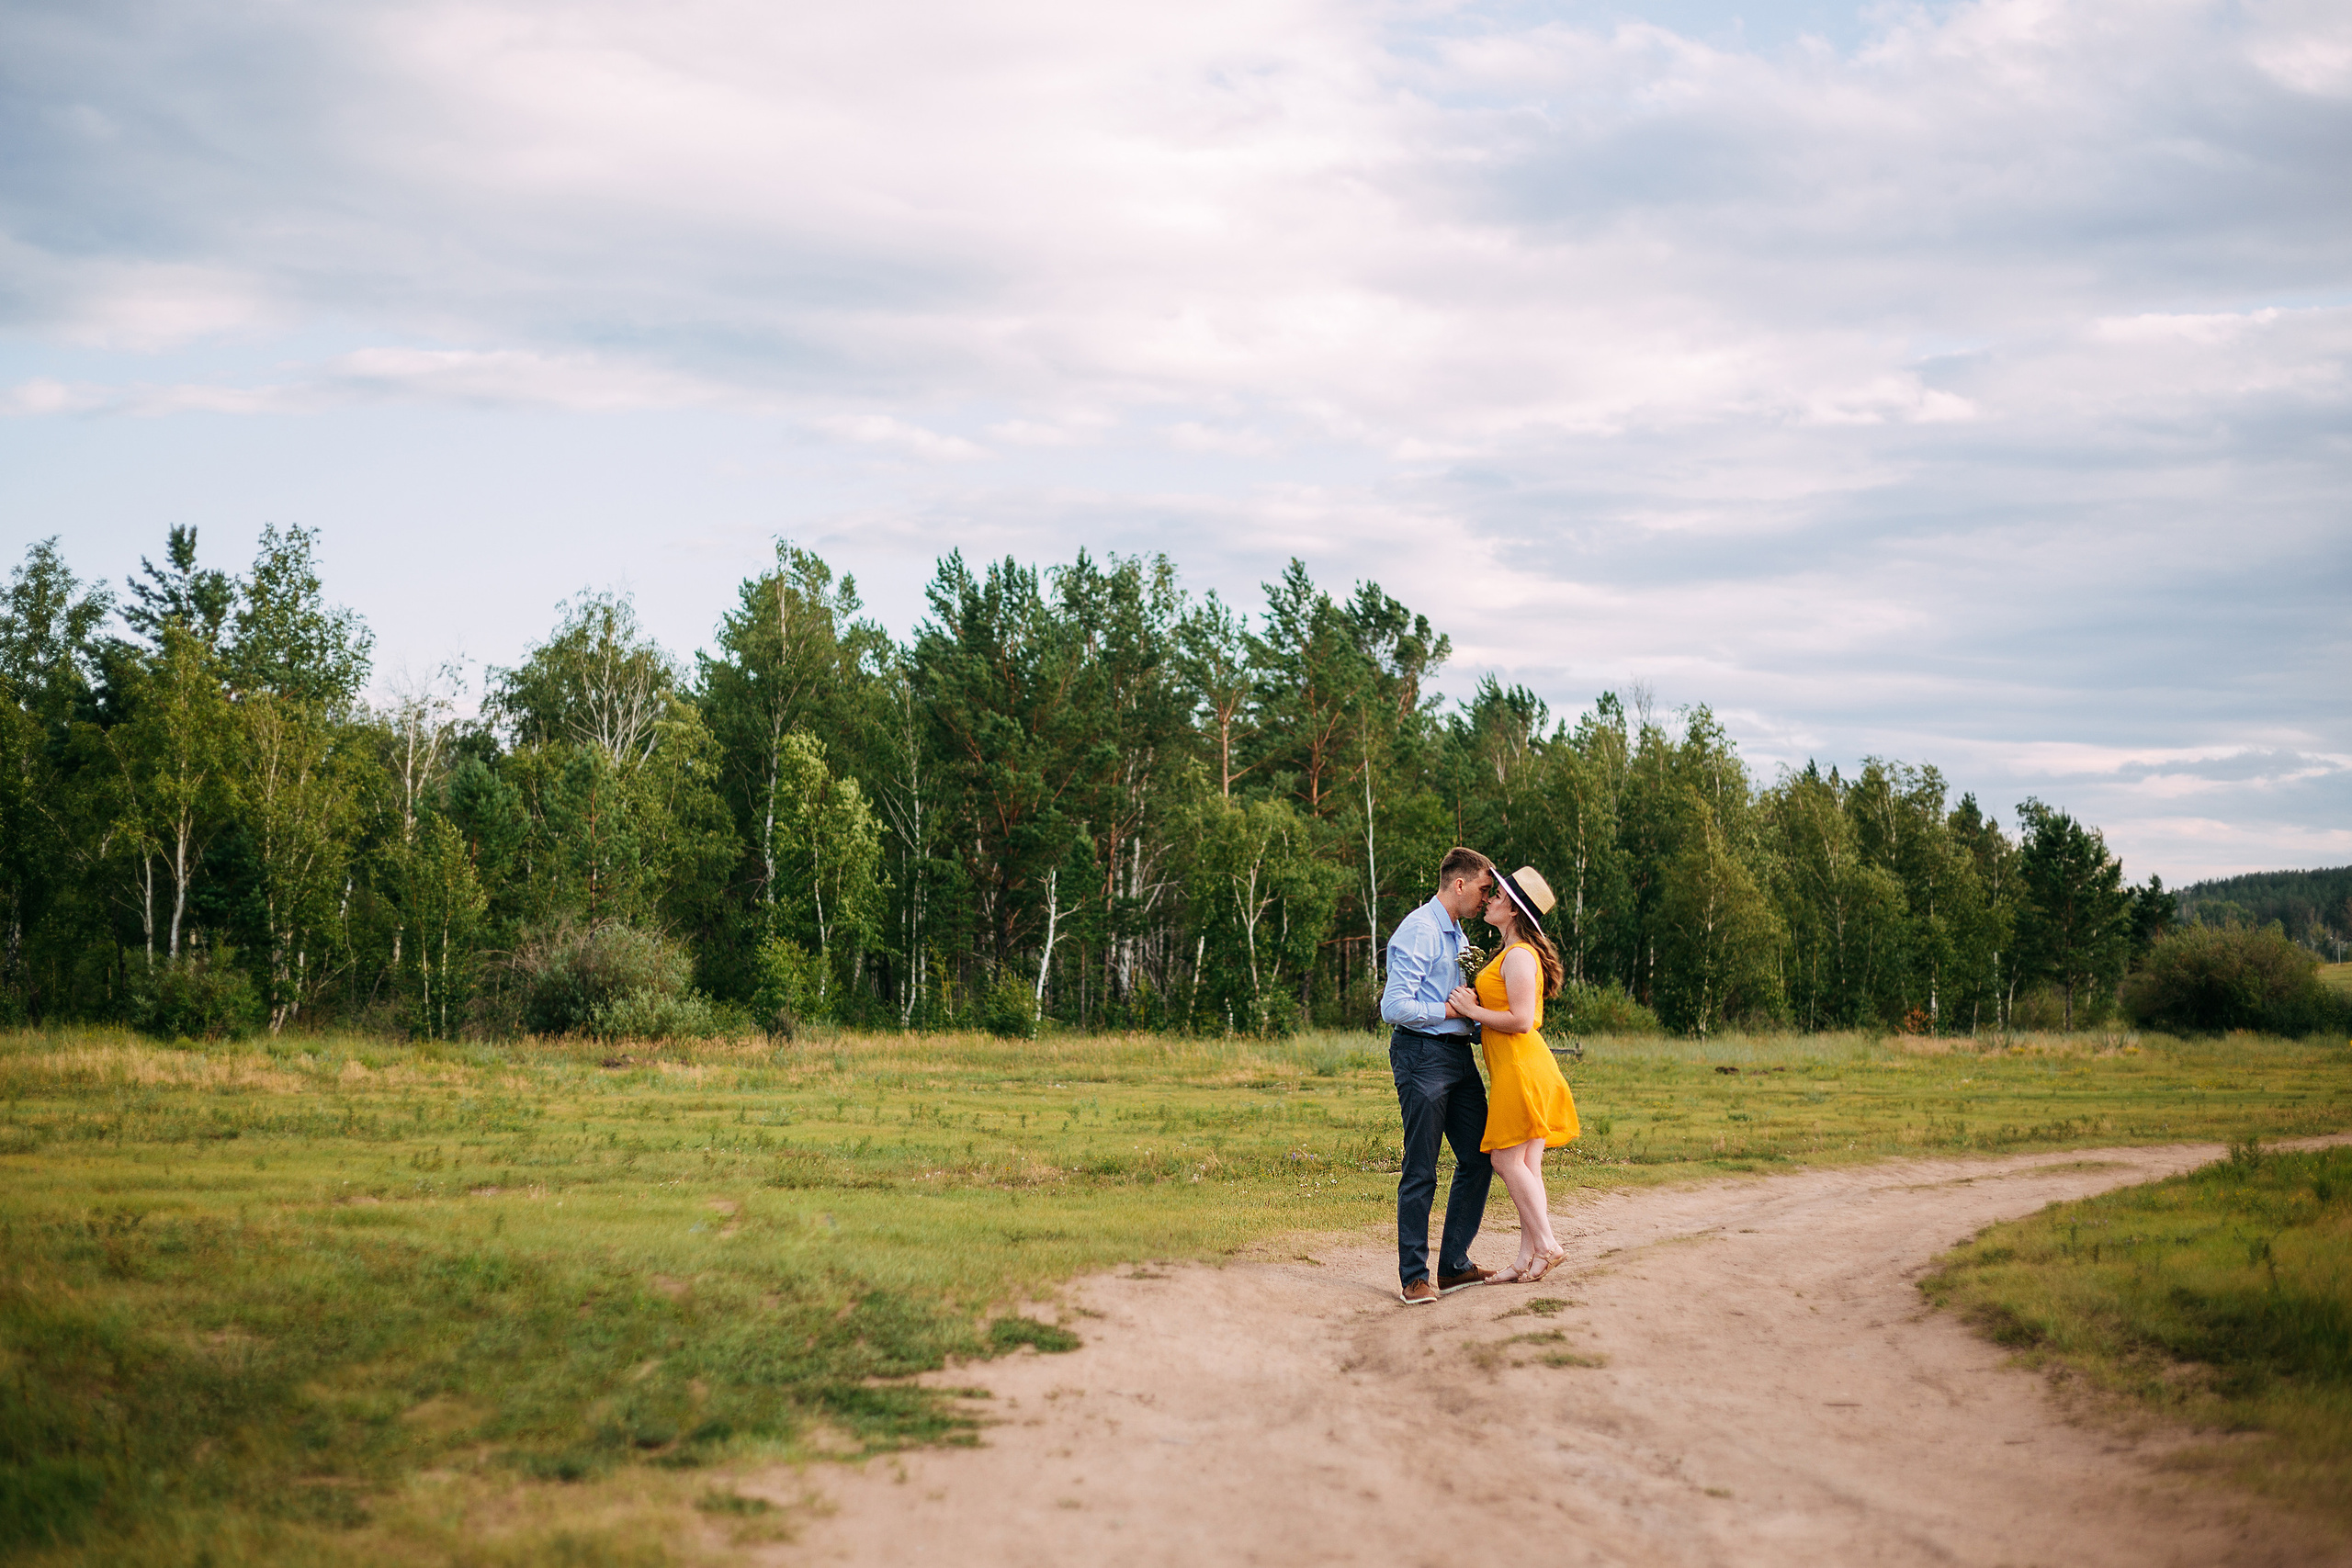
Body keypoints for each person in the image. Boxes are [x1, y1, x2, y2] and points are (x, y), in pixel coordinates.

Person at [1447, 864, 1578, 1284]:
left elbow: (1521, 1020)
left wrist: (1471, 1010)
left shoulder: (1520, 955)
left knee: (1504, 1159)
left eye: (1498, 896)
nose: (1490, 900)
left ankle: (1548, 1243)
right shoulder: (1511, 953)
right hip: (1520, 1069)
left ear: (1515, 910)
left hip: (1524, 1070)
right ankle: (1526, 1258)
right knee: (1527, 1167)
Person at [1380, 847, 1499, 1305]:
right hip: (1422, 1055)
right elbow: (1394, 1006)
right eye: (1484, 889)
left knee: (1480, 1154)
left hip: (1456, 1057)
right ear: (1460, 884)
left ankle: (1452, 1266)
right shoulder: (1420, 929)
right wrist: (1449, 1010)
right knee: (1422, 1167)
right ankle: (1414, 1275)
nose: (1486, 899)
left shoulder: (1457, 936)